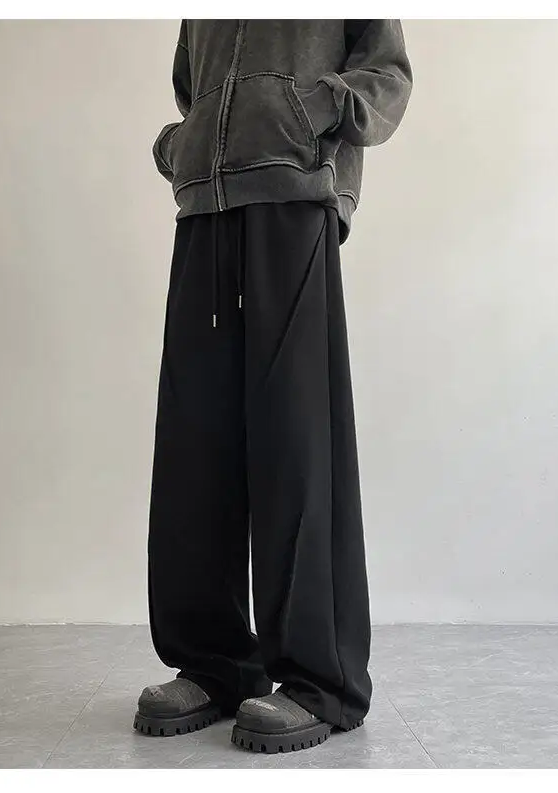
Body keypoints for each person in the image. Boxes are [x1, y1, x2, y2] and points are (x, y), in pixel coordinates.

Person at [134, 19, 412, 755]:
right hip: (205, 208)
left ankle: (322, 680)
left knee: (296, 439)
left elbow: (387, 75)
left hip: (294, 201)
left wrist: (303, 111)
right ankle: (216, 662)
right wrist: (186, 144)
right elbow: (194, 88)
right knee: (195, 443)